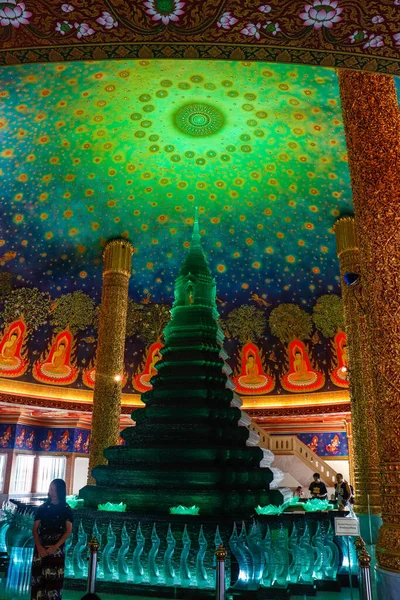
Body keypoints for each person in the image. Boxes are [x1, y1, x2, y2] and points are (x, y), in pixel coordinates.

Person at [31, 479, 73, 600]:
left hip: (57, 548)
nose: (50, 491)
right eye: (50, 488)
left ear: (60, 491)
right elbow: (35, 529)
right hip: (41, 545)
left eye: (53, 489)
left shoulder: (66, 508)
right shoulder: (43, 508)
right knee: (38, 579)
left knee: (54, 580)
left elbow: (68, 530)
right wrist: (39, 547)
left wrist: (56, 546)